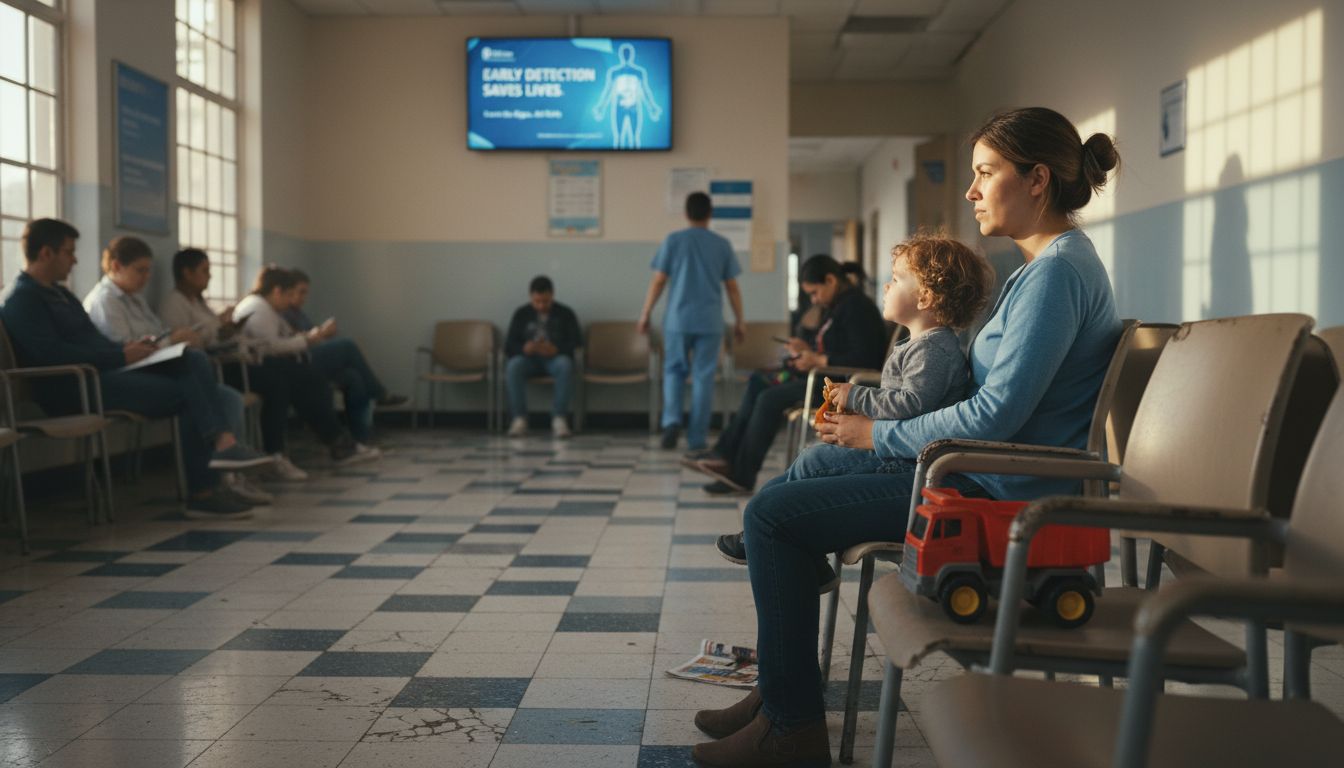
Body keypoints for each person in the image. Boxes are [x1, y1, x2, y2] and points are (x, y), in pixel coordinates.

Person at [688, 107, 1122, 767]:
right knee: (794, 490)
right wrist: (872, 432)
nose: (972, 191)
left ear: (1036, 180)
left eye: (985, 173)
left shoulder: (1058, 272)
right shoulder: (1044, 270)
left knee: (771, 516)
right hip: (974, 471)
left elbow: (994, 415)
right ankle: (781, 693)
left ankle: (791, 726)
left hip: (990, 487)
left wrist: (878, 433)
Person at [713, 234, 993, 585]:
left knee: (814, 462)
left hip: (904, 461)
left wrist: (857, 397)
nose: (887, 285)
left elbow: (910, 404)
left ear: (925, 296)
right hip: (898, 448)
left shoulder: (933, 349)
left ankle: (768, 540)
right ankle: (779, 544)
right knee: (812, 461)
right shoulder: (920, 344)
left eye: (897, 278)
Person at [0, 219, 271, 519]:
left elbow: (94, 341)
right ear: (46, 253)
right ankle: (203, 491)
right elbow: (50, 354)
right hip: (73, 386)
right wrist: (121, 356)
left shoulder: (61, 295)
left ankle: (224, 446)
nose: (75, 259)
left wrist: (132, 350)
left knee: (192, 359)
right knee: (191, 395)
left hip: (102, 374)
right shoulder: (22, 299)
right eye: (69, 252)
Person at [82, 236, 272, 505]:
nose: (147, 277)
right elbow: (124, 347)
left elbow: (156, 332)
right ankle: (207, 483)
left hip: (151, 370)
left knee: (227, 396)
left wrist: (176, 337)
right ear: (116, 266)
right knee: (192, 380)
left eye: (148, 270)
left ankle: (229, 475)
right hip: (125, 375)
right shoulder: (105, 301)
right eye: (140, 270)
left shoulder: (135, 299)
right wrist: (173, 340)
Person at [687, 254, 888, 496]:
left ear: (831, 280)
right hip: (822, 375)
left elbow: (865, 359)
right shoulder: (836, 307)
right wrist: (806, 350)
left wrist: (819, 360)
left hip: (837, 387)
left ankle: (742, 474)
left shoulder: (857, 308)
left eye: (815, 293)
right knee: (758, 381)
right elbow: (834, 345)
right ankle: (724, 455)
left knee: (768, 399)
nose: (814, 300)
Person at [234, 267, 380, 467]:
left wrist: (307, 338)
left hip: (276, 364)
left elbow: (283, 339)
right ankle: (334, 443)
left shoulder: (268, 309)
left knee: (342, 377)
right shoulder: (258, 309)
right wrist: (310, 338)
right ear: (277, 291)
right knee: (308, 379)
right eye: (290, 295)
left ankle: (347, 442)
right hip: (256, 368)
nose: (291, 301)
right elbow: (272, 346)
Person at [638, 191, 745, 451]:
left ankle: (671, 423)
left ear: (686, 214)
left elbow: (659, 280)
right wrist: (740, 320)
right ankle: (697, 437)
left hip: (678, 319)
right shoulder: (721, 244)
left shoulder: (673, 241)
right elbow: (732, 287)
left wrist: (645, 313)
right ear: (710, 214)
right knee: (704, 376)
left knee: (674, 371)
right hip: (710, 321)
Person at [282, 270, 406, 445]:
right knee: (347, 345)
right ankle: (379, 394)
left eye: (306, 293)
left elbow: (310, 337)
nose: (304, 297)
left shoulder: (299, 313)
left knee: (353, 377)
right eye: (300, 292)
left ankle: (359, 439)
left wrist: (323, 334)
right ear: (287, 290)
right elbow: (294, 341)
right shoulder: (281, 313)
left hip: (313, 357)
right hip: (298, 363)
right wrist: (321, 333)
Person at [503, 275, 581, 438]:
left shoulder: (565, 313)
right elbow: (509, 345)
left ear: (552, 295)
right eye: (536, 301)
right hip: (528, 359)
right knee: (513, 366)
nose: (540, 306)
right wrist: (524, 348)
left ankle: (559, 418)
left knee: (565, 364)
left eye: (545, 301)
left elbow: (576, 342)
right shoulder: (521, 313)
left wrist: (556, 349)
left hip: (554, 359)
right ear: (531, 297)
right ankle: (519, 418)